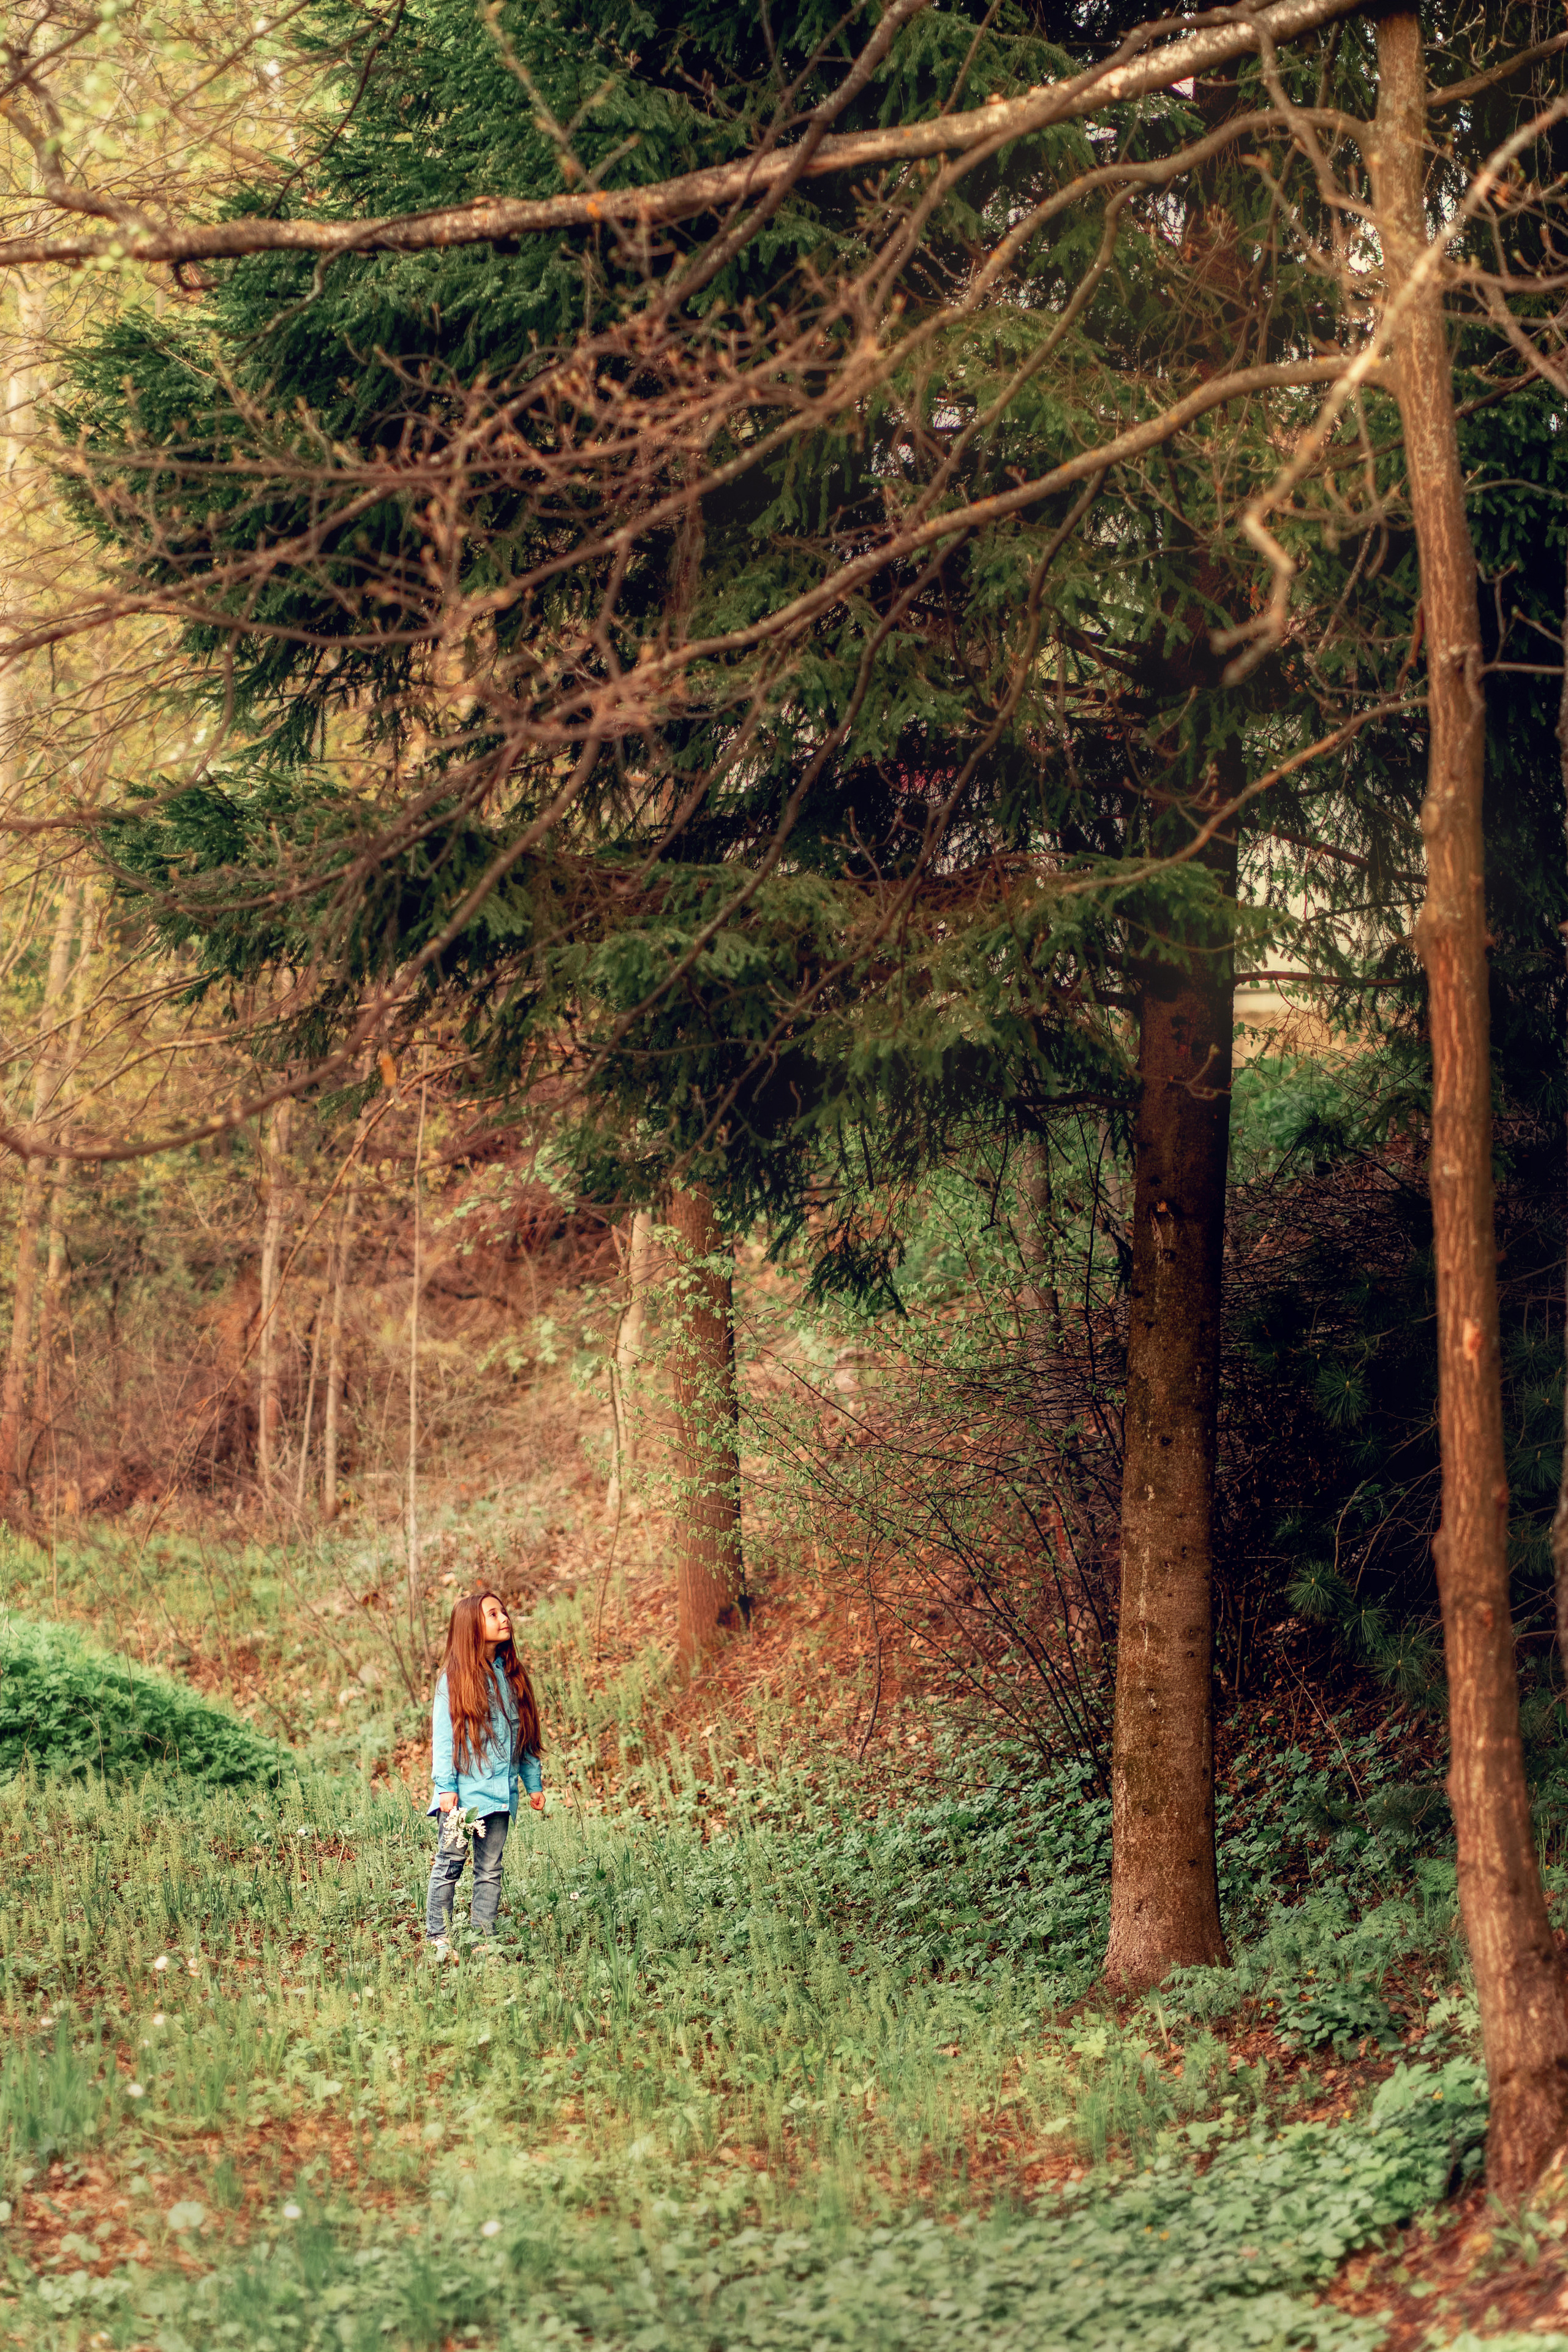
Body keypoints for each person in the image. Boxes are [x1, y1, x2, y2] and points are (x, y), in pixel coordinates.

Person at [425, 1589, 543, 1956]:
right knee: (451, 1864)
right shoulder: (454, 1680)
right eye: (493, 1614)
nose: (504, 1618)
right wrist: (445, 1788)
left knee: (490, 1869)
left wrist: (532, 1782)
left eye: (503, 1611)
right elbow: (444, 1740)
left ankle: (482, 1939)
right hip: (464, 1798)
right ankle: (439, 1937)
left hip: (501, 1794)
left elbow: (522, 1735)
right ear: (471, 1627)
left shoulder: (511, 1677)